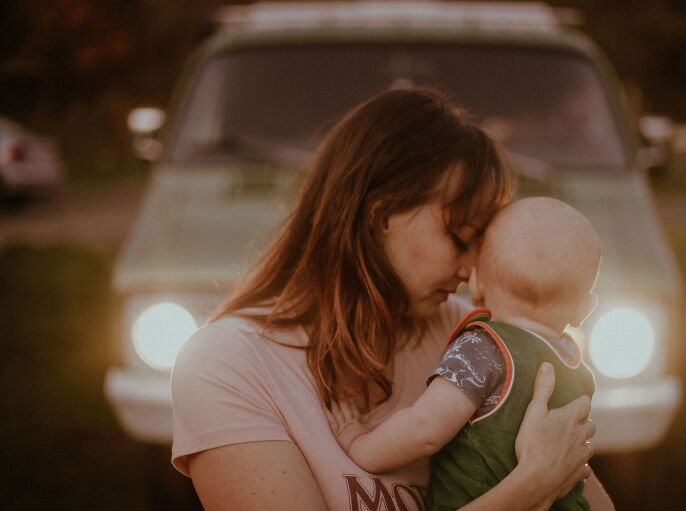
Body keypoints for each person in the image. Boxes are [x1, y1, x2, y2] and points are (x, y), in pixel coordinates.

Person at [171, 87, 598, 510]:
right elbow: (546, 476)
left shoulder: (476, 338)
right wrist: (529, 489)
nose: (472, 273)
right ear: (379, 211)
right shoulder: (228, 364)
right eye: (458, 238)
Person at [340, 197, 613, 510]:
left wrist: (360, 447)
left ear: (478, 284)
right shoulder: (577, 371)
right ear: (584, 310)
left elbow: (425, 428)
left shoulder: (481, 350)